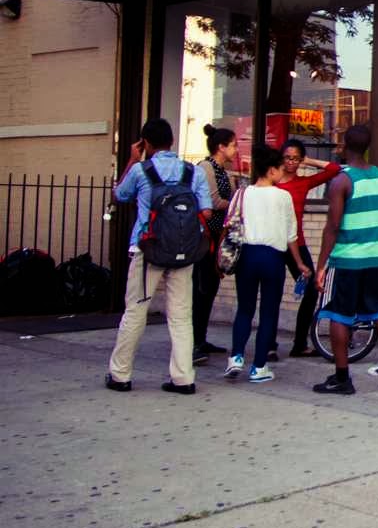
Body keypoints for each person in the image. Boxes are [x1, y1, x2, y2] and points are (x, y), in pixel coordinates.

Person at [105, 119, 214, 395]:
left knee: (135, 311)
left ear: (146, 144)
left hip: (148, 249)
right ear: (172, 142)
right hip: (184, 251)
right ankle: (183, 378)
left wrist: (132, 158)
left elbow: (120, 194)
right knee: (181, 316)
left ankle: (120, 375)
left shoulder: (142, 171)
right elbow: (208, 212)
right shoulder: (193, 172)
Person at [312, 125, 378, 394]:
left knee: (338, 314)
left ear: (345, 145)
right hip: (374, 257)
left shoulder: (342, 181)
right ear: (368, 147)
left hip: (347, 259)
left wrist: (321, 265)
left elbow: (332, 227)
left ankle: (342, 378)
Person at [224, 145, 308, 384]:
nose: (283, 173)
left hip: (247, 256)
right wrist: (300, 263)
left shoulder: (242, 193)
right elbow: (292, 235)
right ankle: (259, 366)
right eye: (281, 169)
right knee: (269, 312)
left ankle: (236, 356)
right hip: (273, 257)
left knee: (245, 308)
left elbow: (230, 224)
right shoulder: (283, 196)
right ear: (272, 170)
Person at [278, 139, 342, 358]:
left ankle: (299, 344)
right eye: (287, 157)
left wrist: (309, 160)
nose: (291, 162)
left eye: (296, 158)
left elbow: (334, 169)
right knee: (273, 292)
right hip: (275, 245)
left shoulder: (303, 183)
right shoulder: (273, 182)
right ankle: (268, 345)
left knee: (312, 290)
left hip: (298, 243)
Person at [192, 124, 238, 363]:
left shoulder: (225, 172)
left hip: (219, 237)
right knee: (200, 288)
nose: (236, 149)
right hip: (205, 238)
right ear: (221, 147)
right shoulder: (206, 168)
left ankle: (201, 337)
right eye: (233, 145)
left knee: (210, 288)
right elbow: (212, 201)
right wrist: (234, 203)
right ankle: (194, 341)